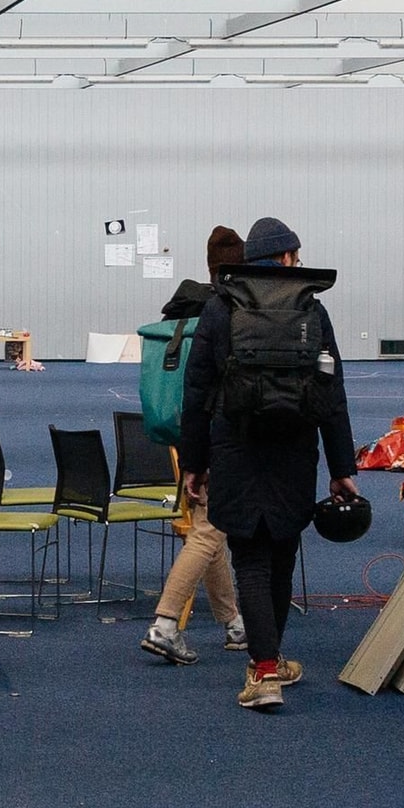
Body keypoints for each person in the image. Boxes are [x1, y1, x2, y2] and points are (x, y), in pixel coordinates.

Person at [177, 216, 362, 713]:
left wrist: (193, 462)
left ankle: (263, 671)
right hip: (294, 451)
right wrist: (342, 465)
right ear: (283, 258)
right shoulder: (312, 311)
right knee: (280, 554)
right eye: (295, 257)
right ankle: (271, 659)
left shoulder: (220, 309)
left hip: (236, 448)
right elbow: (333, 394)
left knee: (250, 559)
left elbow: (196, 394)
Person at [142, 226, 250, 665]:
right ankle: (165, 623)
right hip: (220, 438)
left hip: (188, 438)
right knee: (207, 533)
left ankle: (234, 624)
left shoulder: (186, 310)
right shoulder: (229, 313)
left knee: (211, 528)